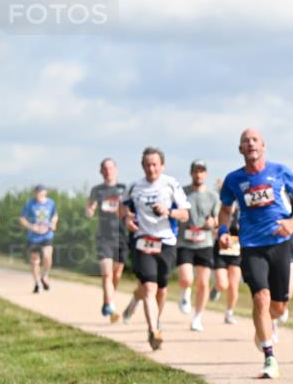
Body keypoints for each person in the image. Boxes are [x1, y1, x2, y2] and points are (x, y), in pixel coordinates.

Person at [218, 128, 293, 379]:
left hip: (281, 242)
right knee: (261, 298)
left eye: (255, 140)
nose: (250, 143)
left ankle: (265, 326)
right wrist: (223, 230)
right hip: (251, 245)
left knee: (278, 306)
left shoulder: (281, 171)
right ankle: (269, 357)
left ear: (263, 146)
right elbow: (225, 210)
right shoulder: (233, 180)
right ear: (240, 149)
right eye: (245, 141)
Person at [120, 147, 190, 350]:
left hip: (166, 241)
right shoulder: (134, 186)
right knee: (149, 286)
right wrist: (126, 219)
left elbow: (185, 214)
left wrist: (168, 212)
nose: (151, 169)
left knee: (161, 289)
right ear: (142, 166)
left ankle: (143, 307)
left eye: (155, 165)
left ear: (162, 165)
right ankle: (153, 330)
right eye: (147, 165)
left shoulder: (171, 184)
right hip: (143, 240)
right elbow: (122, 208)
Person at [176, 160, 220, 332]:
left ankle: (197, 317)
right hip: (185, 242)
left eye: (202, 171)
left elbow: (218, 220)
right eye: (196, 171)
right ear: (191, 173)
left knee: (203, 282)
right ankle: (185, 292)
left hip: (205, 242)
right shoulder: (182, 193)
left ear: (206, 174)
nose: (199, 174)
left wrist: (213, 222)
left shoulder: (213, 196)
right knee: (187, 278)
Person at [86, 158, 127, 322]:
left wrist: (125, 212)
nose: (108, 171)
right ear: (101, 172)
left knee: (116, 275)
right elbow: (90, 207)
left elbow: (131, 209)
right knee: (107, 274)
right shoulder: (97, 190)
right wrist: (89, 211)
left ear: (116, 170)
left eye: (110, 168)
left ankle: (107, 301)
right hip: (104, 236)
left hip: (121, 236)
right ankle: (111, 306)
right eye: (105, 169)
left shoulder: (124, 189)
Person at [211, 178, 242, 325]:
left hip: (236, 249)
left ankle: (229, 313)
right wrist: (215, 229)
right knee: (223, 283)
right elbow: (213, 225)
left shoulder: (241, 208)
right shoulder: (218, 207)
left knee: (234, 284)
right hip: (221, 249)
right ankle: (217, 288)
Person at [19, 185, 57, 293]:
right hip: (33, 237)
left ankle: (44, 276)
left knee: (47, 256)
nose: (39, 194)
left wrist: (53, 223)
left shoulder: (51, 203)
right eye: (37, 192)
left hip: (47, 235)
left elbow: (55, 215)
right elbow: (22, 219)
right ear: (34, 193)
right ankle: (37, 283)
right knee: (35, 261)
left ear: (45, 193)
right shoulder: (30, 204)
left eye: (41, 192)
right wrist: (31, 227)